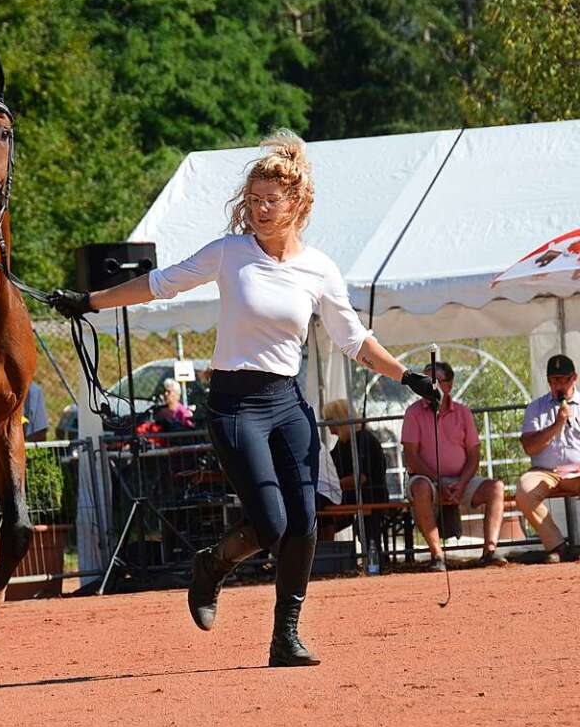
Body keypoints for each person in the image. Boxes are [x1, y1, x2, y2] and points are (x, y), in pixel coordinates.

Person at [50, 130, 439, 667]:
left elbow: (353, 339)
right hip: (234, 404)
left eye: (269, 201)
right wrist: (89, 300)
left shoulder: (319, 269)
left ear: (297, 204)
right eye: (252, 200)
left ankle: (286, 635)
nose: (257, 210)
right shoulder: (230, 253)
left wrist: (408, 375)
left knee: (306, 520)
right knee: (272, 523)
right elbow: (161, 283)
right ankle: (211, 566)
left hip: (287, 402)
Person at [401, 361, 506, 570]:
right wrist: (437, 481)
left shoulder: (463, 412)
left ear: (448, 385)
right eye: (424, 381)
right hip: (427, 481)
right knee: (420, 488)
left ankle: (490, 551)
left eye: (435, 381)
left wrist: (461, 483)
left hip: (461, 482)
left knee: (496, 488)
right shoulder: (412, 413)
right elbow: (411, 457)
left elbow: (474, 455)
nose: (428, 386)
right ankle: (437, 556)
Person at [516, 354, 580, 563]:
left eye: (562, 380)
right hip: (545, 471)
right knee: (525, 490)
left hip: (578, 470)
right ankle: (558, 547)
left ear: (574, 378)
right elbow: (529, 447)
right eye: (553, 380)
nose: (558, 385)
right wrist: (557, 425)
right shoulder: (536, 407)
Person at [318, 399, 388, 551]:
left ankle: (327, 552)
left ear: (339, 419)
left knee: (320, 504)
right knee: (319, 505)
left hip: (369, 495)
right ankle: (325, 552)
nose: (326, 425)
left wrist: (334, 486)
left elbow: (360, 478)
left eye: (328, 420)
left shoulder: (364, 440)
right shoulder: (342, 443)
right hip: (349, 496)